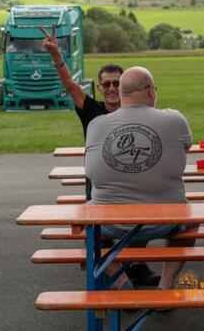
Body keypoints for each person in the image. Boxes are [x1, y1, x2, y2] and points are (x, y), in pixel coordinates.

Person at [41, 26, 158, 287]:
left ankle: (136, 264)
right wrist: (56, 56)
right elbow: (70, 85)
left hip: (132, 180)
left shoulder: (139, 109)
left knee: (143, 222)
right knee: (97, 233)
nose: (112, 88)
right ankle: (115, 273)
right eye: (106, 83)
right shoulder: (91, 108)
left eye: (118, 83)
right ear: (99, 86)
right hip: (99, 186)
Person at [85, 66, 195, 290]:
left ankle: (119, 279)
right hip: (164, 222)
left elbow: (90, 171)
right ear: (150, 91)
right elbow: (181, 152)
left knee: (87, 223)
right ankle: (165, 284)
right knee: (192, 219)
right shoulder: (174, 119)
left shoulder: (96, 124)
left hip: (110, 224)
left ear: (122, 93)